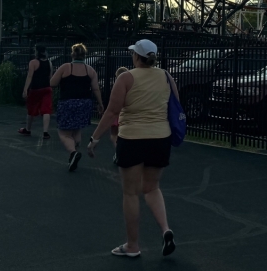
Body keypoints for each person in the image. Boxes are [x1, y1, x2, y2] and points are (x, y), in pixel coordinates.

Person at [90, 39, 177, 258]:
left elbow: (112, 112)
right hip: (160, 138)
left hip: (132, 138)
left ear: (137, 56)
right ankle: (166, 229)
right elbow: (175, 103)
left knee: (130, 193)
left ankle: (132, 245)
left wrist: (95, 138)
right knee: (152, 187)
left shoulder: (126, 78)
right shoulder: (166, 76)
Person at [49, 43, 103, 171]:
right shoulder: (90, 70)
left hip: (67, 102)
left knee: (64, 133)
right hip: (84, 103)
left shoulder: (65, 67)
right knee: (77, 128)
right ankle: (73, 155)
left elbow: (52, 83)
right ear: (85, 55)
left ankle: (73, 152)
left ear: (72, 54)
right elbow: (95, 88)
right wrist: (100, 103)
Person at [20, 46, 53, 139]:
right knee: (46, 110)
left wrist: (25, 89)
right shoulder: (49, 62)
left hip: (35, 89)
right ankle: (45, 132)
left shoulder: (33, 62)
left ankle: (28, 129)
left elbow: (29, 76)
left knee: (31, 109)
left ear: (37, 52)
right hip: (46, 88)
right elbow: (50, 76)